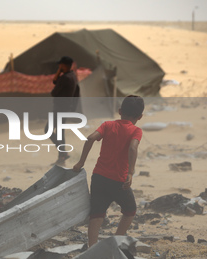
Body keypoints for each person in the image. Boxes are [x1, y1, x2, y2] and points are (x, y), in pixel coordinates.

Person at [72, 95, 144, 248]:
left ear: (119, 111)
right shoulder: (135, 131)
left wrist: (81, 162)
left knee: (97, 213)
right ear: (140, 116)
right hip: (118, 180)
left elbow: (90, 138)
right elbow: (132, 147)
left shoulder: (107, 125)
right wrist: (130, 173)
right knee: (130, 210)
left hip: (99, 177)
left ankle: (91, 247)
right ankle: (115, 242)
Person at [46, 55, 80, 167]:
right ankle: (62, 158)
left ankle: (63, 153)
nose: (59, 66)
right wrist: (59, 72)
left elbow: (53, 92)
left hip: (59, 108)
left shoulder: (64, 78)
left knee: (48, 130)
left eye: (60, 65)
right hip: (66, 108)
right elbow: (56, 81)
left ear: (64, 65)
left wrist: (59, 73)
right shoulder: (72, 76)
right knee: (60, 132)